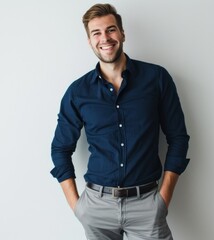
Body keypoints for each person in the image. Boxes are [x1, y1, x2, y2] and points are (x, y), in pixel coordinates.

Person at [50, 3, 190, 240]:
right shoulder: (78, 92)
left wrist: (162, 199)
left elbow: (178, 138)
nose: (105, 38)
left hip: (147, 204)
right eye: (96, 33)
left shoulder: (156, 79)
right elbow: (60, 149)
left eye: (111, 29)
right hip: (97, 207)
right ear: (89, 41)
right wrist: (78, 208)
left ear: (122, 33)